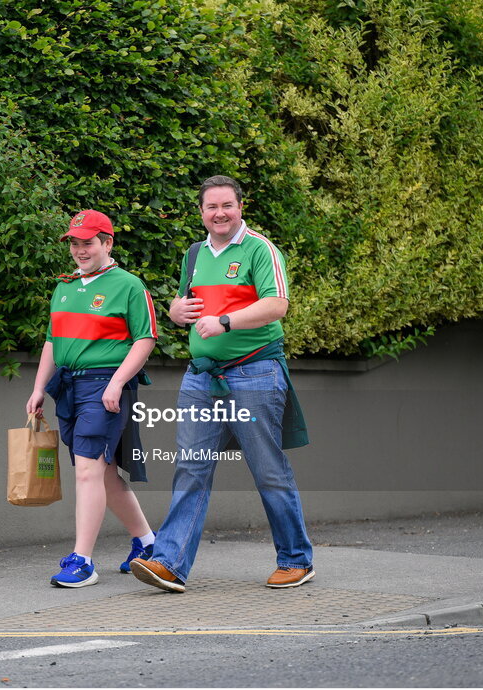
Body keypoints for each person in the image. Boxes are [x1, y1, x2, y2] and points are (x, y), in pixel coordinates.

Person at [130, 175, 314, 592]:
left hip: (255, 373)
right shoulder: (194, 254)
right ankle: (169, 564)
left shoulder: (260, 248)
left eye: (227, 205)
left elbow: (277, 304)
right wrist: (176, 311)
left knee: (267, 469)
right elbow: (185, 304)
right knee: (190, 469)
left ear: (240, 207)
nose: (219, 213)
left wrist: (227, 320)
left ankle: (296, 559)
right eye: (211, 207)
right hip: (201, 377)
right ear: (201, 212)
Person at [26, 209, 158, 588]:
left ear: (107, 243)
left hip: (104, 386)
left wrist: (116, 383)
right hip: (68, 387)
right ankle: (148, 544)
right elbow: (53, 341)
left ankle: (82, 561)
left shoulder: (129, 285)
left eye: (88, 242)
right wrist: (38, 387)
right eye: (74, 243)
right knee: (102, 472)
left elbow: (145, 339)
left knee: (87, 470)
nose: (80, 250)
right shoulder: (65, 287)